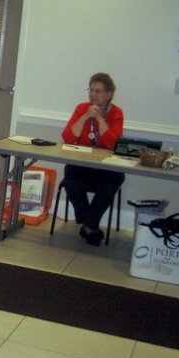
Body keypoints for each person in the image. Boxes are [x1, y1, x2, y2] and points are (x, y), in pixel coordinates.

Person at [61, 72, 125, 246]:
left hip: (105, 167)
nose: (93, 94)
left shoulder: (116, 113)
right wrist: (85, 117)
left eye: (98, 91)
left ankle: (88, 225)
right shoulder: (82, 108)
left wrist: (99, 119)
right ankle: (91, 225)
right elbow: (67, 137)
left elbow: (113, 144)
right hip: (82, 164)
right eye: (91, 90)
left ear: (109, 94)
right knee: (71, 181)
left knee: (110, 184)